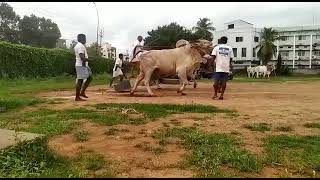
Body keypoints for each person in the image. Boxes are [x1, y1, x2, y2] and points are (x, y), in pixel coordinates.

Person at [211, 36, 233, 100]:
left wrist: (212, 64)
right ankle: (221, 95)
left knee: (215, 83)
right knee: (224, 83)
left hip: (218, 68)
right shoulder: (230, 48)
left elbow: (213, 57)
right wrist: (230, 66)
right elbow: (231, 59)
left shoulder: (216, 48)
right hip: (226, 68)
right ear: (226, 41)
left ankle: (216, 94)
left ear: (220, 41)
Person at [74, 34, 92, 101]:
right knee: (80, 80)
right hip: (81, 65)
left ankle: (82, 92)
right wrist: (90, 60)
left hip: (84, 65)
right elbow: (81, 57)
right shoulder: (80, 46)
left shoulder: (80, 46)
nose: (85, 40)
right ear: (81, 39)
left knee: (90, 77)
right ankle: (77, 97)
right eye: (84, 38)